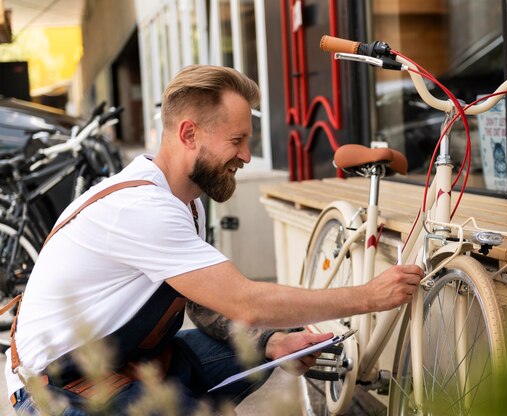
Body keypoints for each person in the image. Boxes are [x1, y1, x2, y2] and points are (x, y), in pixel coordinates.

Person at [4, 65, 423, 414]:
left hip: (125, 361)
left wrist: (272, 342)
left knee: (256, 349)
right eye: (237, 141)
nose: (245, 155)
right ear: (189, 134)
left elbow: (205, 300)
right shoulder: (141, 208)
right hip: (56, 393)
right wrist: (369, 296)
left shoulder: (185, 199)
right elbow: (246, 301)